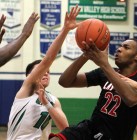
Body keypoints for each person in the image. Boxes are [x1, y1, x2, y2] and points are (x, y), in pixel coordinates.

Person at [50, 38, 137, 140]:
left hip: (115, 136)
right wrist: (85, 55)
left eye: (126, 47)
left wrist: (104, 64)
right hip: (90, 129)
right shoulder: (104, 72)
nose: (119, 49)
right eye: (120, 46)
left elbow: (131, 99)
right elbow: (64, 81)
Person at [7, 5, 81, 140]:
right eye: (41, 71)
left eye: (48, 72)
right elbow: (48, 59)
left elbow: (65, 128)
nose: (46, 73)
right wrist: (65, 30)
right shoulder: (26, 90)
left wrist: (46, 103)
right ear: (30, 76)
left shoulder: (53, 100)